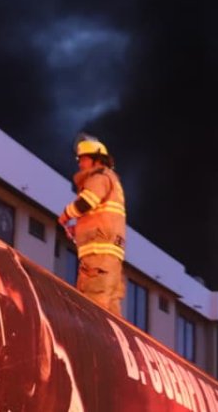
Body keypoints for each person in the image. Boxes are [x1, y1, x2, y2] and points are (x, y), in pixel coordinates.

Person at [57, 134, 127, 316]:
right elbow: (99, 215)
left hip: (98, 259)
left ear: (97, 160)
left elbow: (87, 202)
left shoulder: (99, 177)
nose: (80, 164)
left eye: (84, 159)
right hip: (108, 259)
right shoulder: (112, 180)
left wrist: (65, 216)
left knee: (92, 310)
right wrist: (77, 228)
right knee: (111, 314)